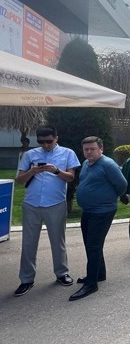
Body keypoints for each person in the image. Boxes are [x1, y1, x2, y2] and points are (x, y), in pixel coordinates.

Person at [14, 125, 81, 297]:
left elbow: (71, 177)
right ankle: (26, 279)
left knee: (58, 241)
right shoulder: (30, 154)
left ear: (56, 138)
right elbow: (19, 180)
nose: (45, 145)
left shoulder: (67, 153)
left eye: (49, 141)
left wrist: (56, 170)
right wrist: (32, 171)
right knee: (28, 243)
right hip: (32, 204)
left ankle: (62, 273)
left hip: (55, 203)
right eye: (41, 142)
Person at [69, 136, 127, 301]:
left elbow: (122, 184)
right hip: (88, 210)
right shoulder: (86, 163)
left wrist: (111, 197)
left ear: (101, 149)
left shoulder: (108, 164)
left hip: (102, 211)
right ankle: (99, 273)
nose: (89, 152)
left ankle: (91, 283)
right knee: (91, 243)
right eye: (86, 149)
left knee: (93, 245)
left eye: (92, 149)